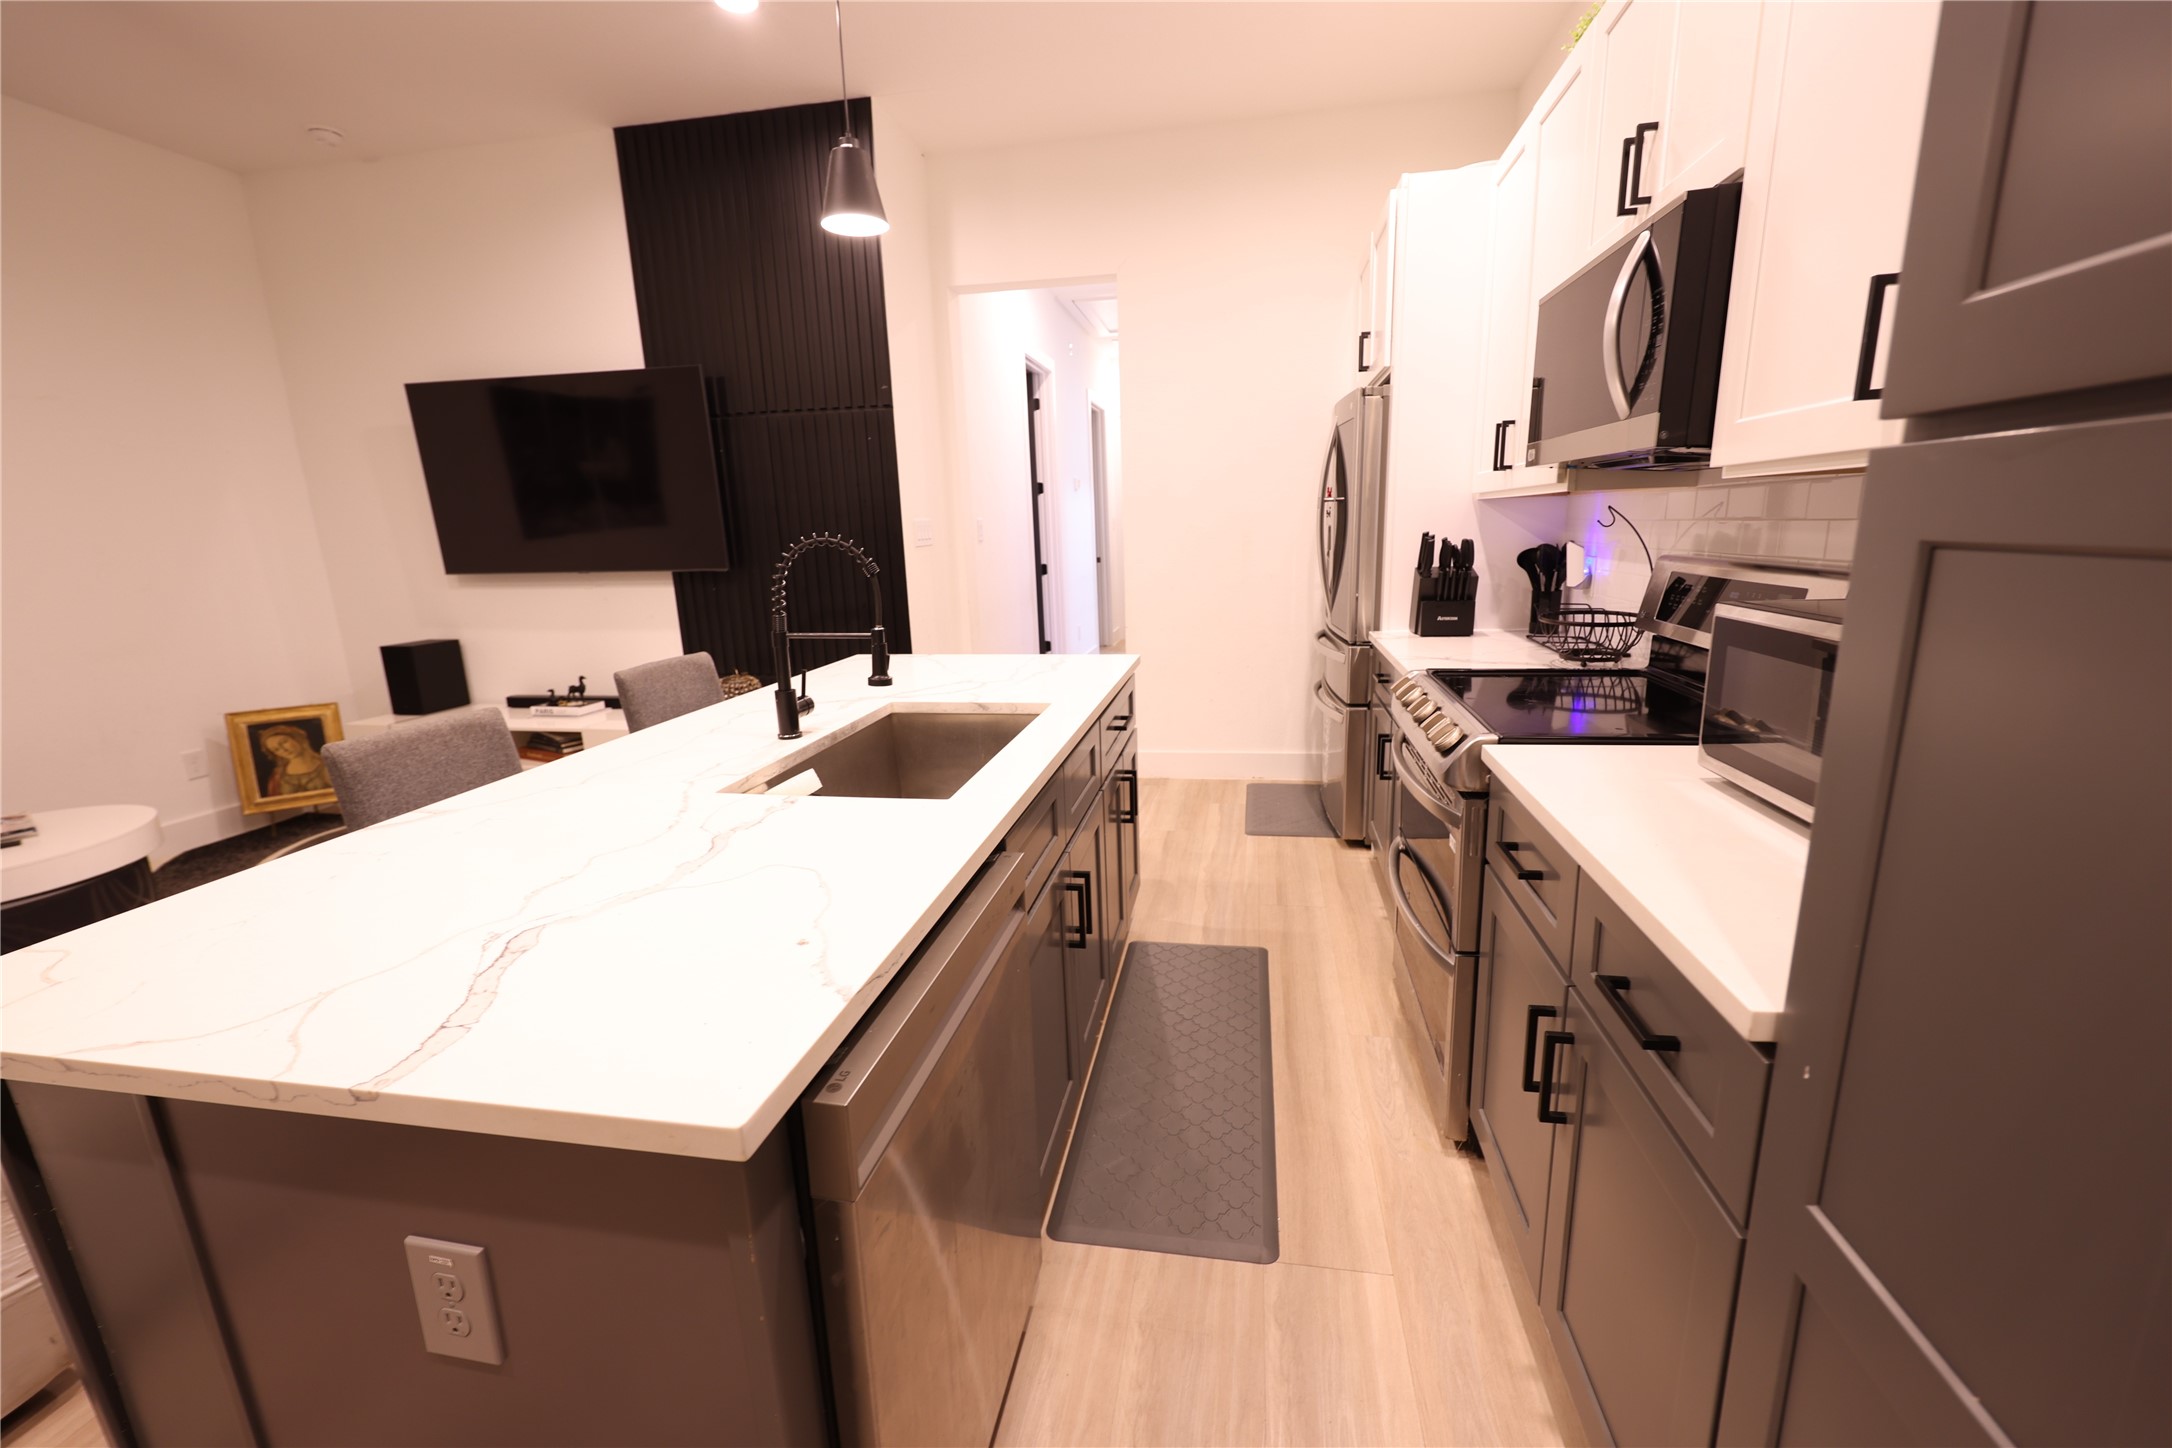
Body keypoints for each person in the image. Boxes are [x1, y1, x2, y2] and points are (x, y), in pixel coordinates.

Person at [256, 724, 332, 797]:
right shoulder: (277, 776)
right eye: (276, 749)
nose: (283, 750)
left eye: (283, 742)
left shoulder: (327, 764)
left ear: (297, 738)